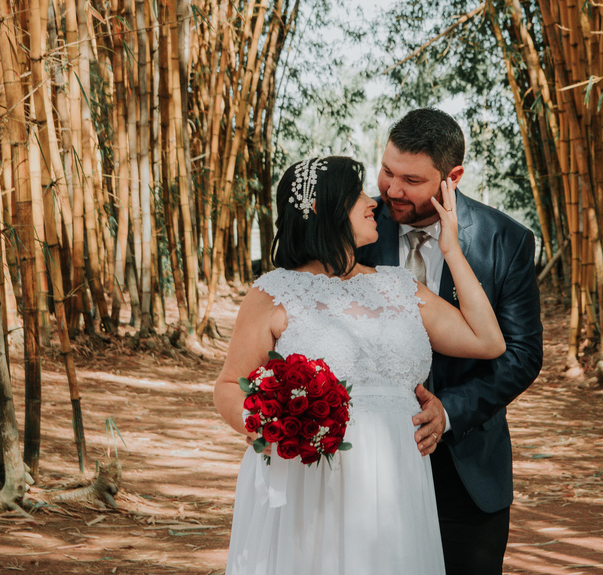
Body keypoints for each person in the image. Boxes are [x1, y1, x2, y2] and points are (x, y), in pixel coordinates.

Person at [214, 155, 505, 575]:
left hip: (398, 478)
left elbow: (488, 340)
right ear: (321, 209)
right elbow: (228, 385)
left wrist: (451, 248)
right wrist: (267, 423)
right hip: (312, 476)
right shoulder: (272, 292)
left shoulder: (400, 285)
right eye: (357, 196)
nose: (374, 201)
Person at [357, 108, 544, 575]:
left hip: (468, 466)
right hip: (367, 469)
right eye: (387, 171)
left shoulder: (507, 241)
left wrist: (449, 410)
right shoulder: (356, 232)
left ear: (452, 176)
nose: (392, 190)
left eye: (411, 180)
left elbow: (522, 355)